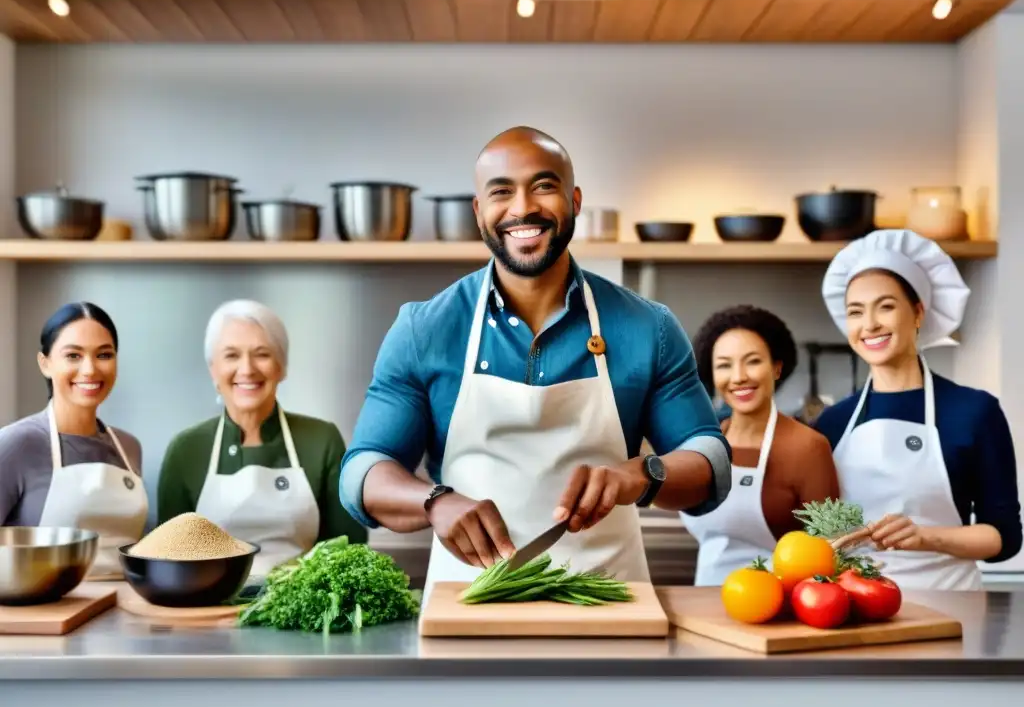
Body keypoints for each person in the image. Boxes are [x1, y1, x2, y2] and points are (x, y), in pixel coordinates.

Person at [340, 126, 731, 598]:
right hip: (469, 606)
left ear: (575, 200)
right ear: (479, 210)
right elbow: (363, 471)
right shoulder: (424, 329)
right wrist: (433, 500)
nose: (523, 208)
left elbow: (711, 461)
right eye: (501, 191)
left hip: (609, 606)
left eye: (544, 187)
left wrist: (641, 474)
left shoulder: (648, 327)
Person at [815, 228, 1022, 590]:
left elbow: (1004, 538)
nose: (870, 324)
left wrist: (926, 537)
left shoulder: (974, 411)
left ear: (918, 312)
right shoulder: (832, 423)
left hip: (952, 608)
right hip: (854, 608)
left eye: (886, 306)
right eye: (856, 312)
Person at [157, 299, 366, 577]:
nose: (247, 369)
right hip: (207, 605)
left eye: (262, 354)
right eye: (231, 355)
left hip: (300, 609)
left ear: (282, 366)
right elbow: (168, 555)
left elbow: (348, 546)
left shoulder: (321, 440)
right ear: (213, 369)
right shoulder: (187, 449)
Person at [684, 305, 840, 585]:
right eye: (724, 365)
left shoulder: (808, 448)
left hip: (779, 609)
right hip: (705, 603)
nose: (739, 376)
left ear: (777, 368)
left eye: (752, 361)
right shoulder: (704, 441)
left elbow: (832, 547)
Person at [0, 302, 145, 580]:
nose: (90, 369)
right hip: (45, 614)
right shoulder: (18, 444)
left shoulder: (128, 447)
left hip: (124, 611)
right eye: (73, 356)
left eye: (104, 354)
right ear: (45, 363)